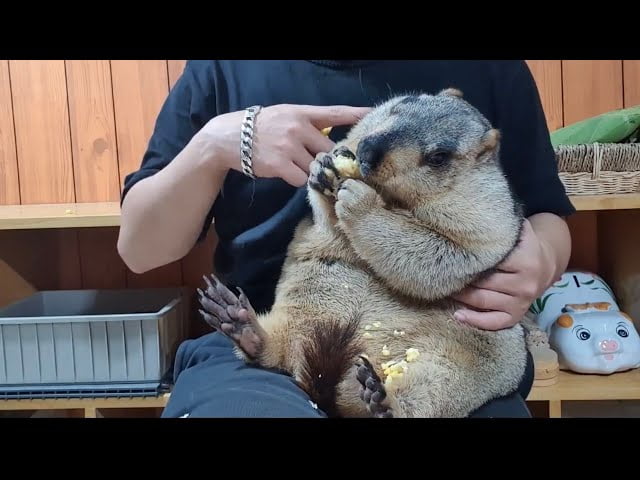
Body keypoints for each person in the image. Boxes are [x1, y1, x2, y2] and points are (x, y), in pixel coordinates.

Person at [117, 60, 574, 418]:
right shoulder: (221, 68)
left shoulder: (491, 68)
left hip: (444, 335)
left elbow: (547, 214)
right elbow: (139, 250)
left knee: (457, 388)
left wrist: (543, 260)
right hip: (275, 322)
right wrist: (215, 145)